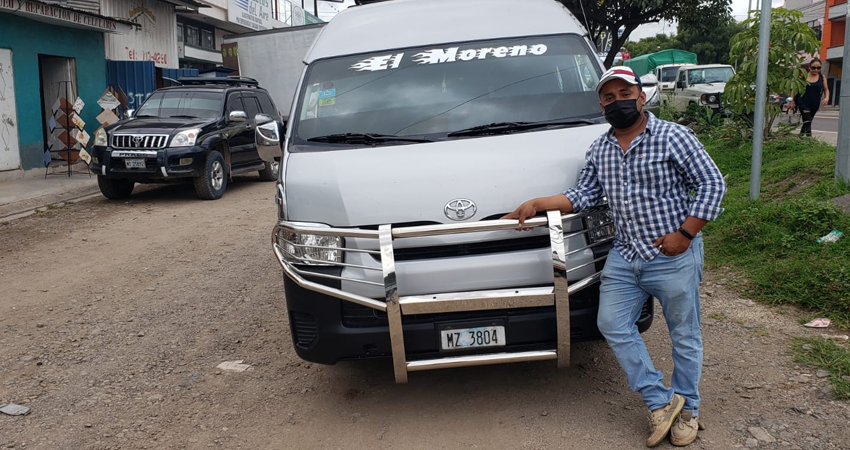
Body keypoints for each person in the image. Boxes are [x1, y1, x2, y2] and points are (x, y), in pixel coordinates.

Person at [503, 66, 727, 447]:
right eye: (609, 97)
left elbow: (712, 183)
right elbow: (582, 194)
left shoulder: (674, 137)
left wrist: (686, 234)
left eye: (625, 94)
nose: (617, 102)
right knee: (612, 323)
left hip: (671, 253)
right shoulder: (600, 149)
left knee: (684, 336)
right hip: (625, 255)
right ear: (601, 105)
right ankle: (660, 401)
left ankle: (688, 408)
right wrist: (538, 203)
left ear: (641, 96)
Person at [789, 59, 829, 136]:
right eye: (814, 68)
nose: (816, 70)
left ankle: (800, 136)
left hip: (815, 103)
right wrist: (791, 101)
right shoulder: (803, 76)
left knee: (808, 121)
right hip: (803, 102)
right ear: (809, 67)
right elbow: (794, 89)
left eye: (818, 68)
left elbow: (826, 89)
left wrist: (826, 98)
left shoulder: (822, 77)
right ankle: (809, 139)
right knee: (807, 120)